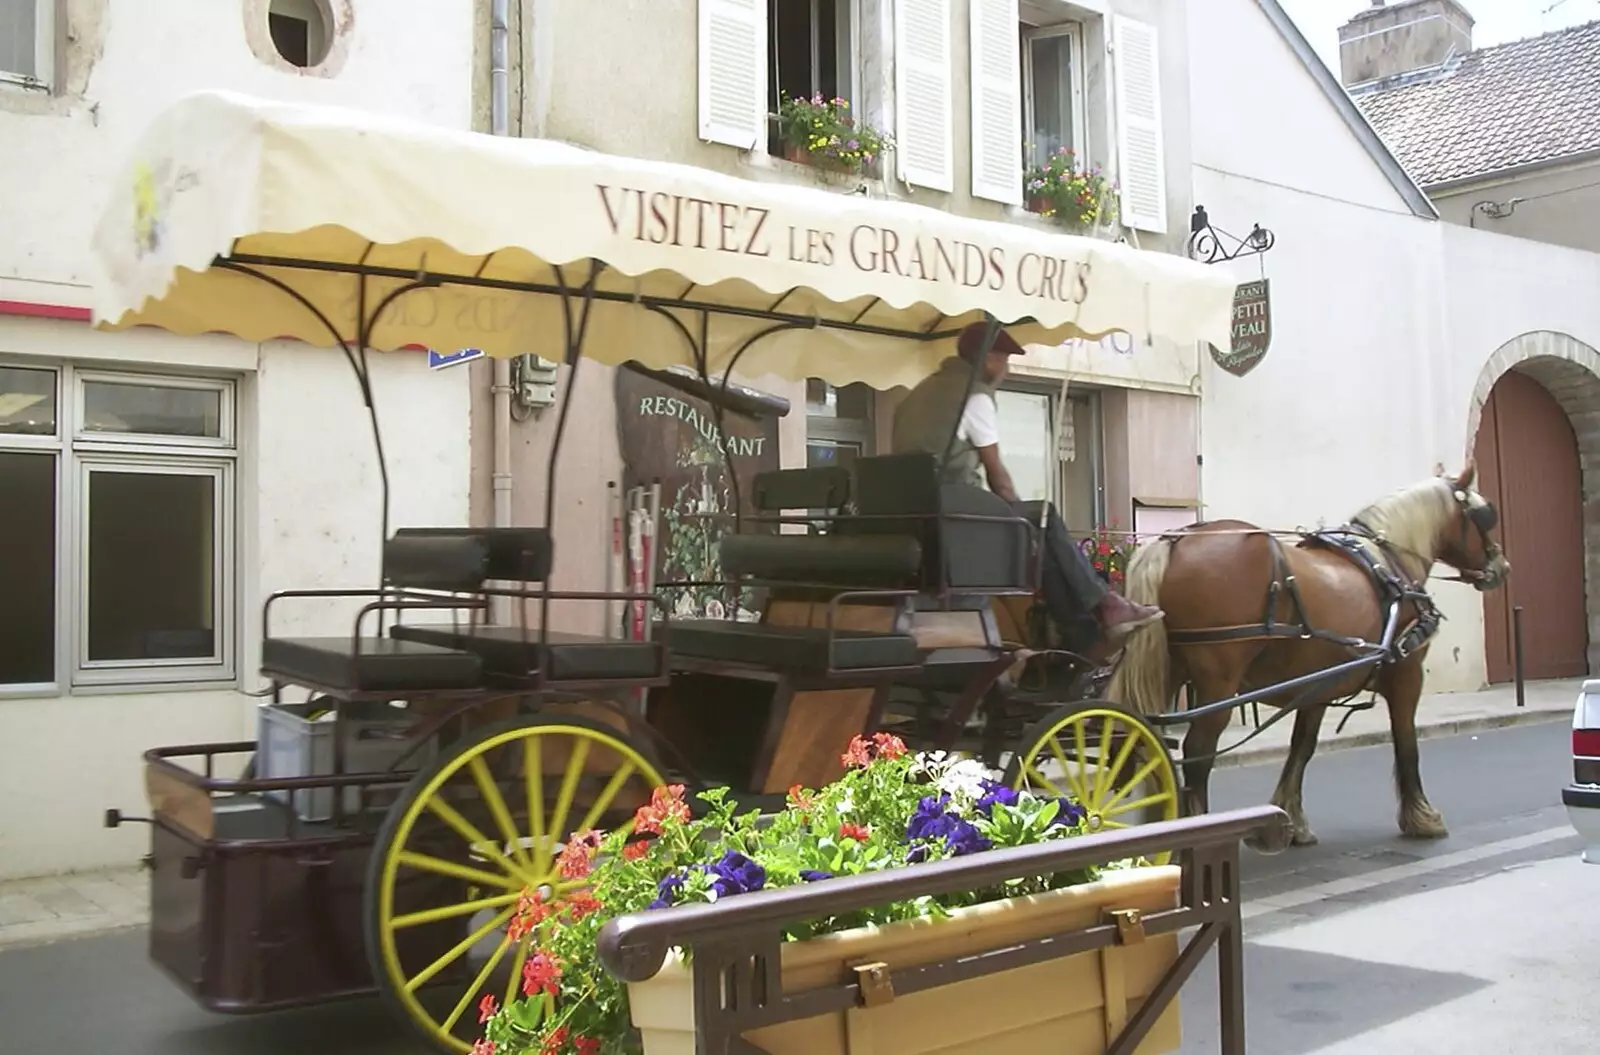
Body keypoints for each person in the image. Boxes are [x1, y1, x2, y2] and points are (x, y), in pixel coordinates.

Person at [889, 321, 1163, 661]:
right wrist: (1019, 525)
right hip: (953, 515)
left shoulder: (918, 394)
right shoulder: (973, 396)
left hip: (912, 516)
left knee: (1038, 536)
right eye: (1004, 361)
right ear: (988, 359)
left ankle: (1088, 630)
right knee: (1042, 516)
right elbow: (998, 477)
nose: (1005, 370)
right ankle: (1103, 606)